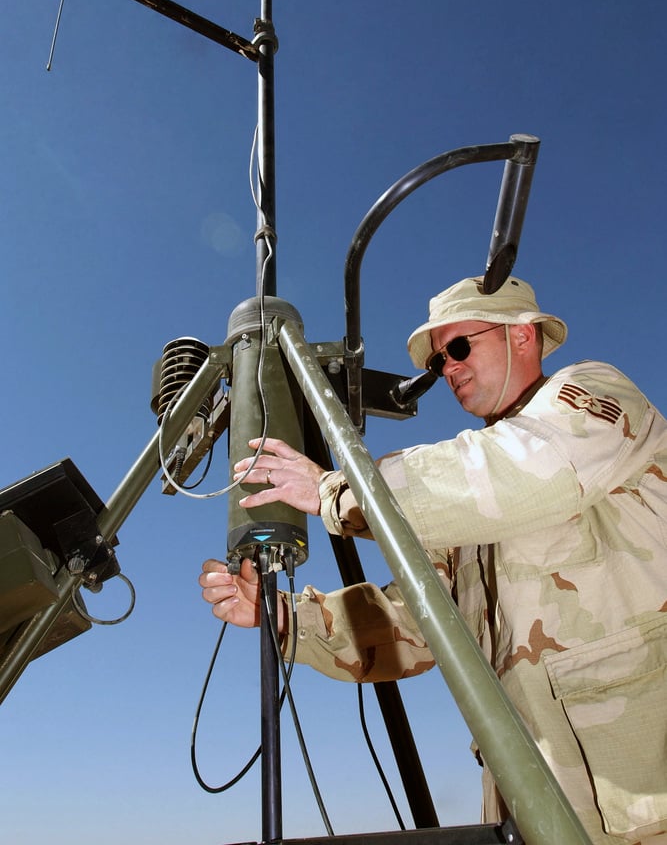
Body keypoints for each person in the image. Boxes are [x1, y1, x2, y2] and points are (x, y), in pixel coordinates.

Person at [200, 275, 667, 845]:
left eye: (460, 347)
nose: (448, 368)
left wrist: (339, 488)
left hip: (644, 793)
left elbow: (528, 472)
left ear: (523, 335)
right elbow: (414, 623)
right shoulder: (462, 516)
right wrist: (285, 618)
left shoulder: (593, 397)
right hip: (541, 801)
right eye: (440, 358)